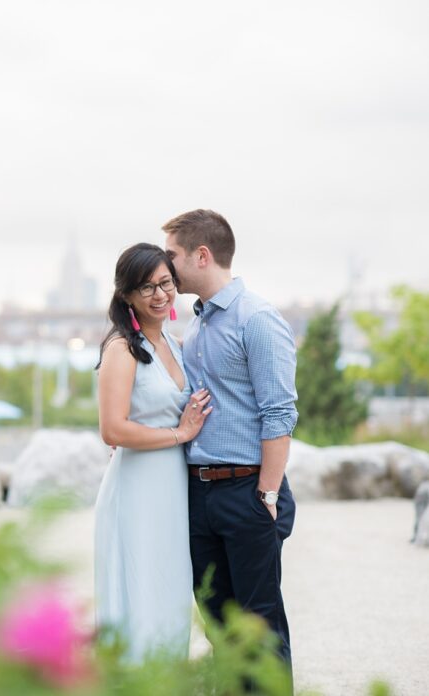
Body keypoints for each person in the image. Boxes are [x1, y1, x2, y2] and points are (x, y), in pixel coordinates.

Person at [162, 209, 298, 674]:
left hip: (246, 492)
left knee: (260, 629)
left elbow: (279, 412)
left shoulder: (256, 318)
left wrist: (268, 493)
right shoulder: (197, 324)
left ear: (202, 255)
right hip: (200, 494)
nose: (165, 266)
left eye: (172, 255)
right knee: (219, 627)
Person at [94, 242, 212, 662]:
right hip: (138, 488)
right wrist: (180, 435)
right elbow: (112, 428)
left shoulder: (173, 343)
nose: (160, 295)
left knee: (168, 589)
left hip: (171, 488)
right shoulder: (121, 349)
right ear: (126, 295)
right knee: (140, 592)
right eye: (147, 288)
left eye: (166, 283)